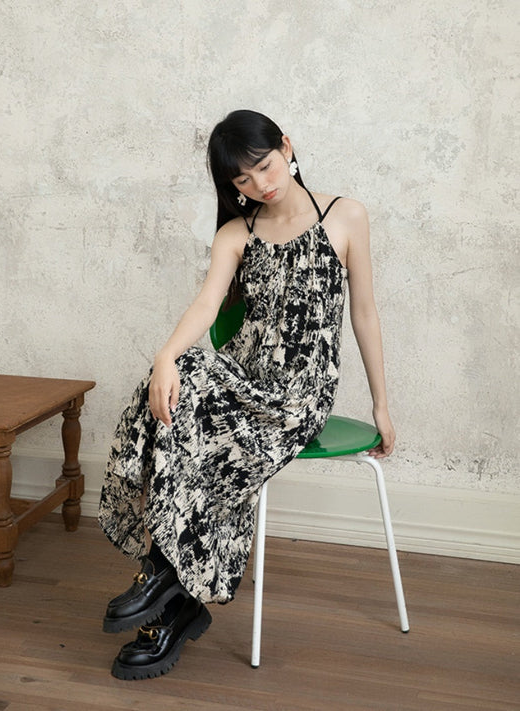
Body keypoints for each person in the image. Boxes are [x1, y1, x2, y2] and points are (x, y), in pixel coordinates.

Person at [98, 109, 395, 680]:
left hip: (297, 397)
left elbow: (365, 313)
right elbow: (207, 305)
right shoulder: (237, 233)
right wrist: (165, 357)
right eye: (243, 179)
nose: (261, 184)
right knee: (177, 388)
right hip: (242, 381)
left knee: (188, 413)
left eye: (265, 165)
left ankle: (164, 577)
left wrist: (382, 405)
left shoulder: (345, 216)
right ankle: (175, 595)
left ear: (287, 146)